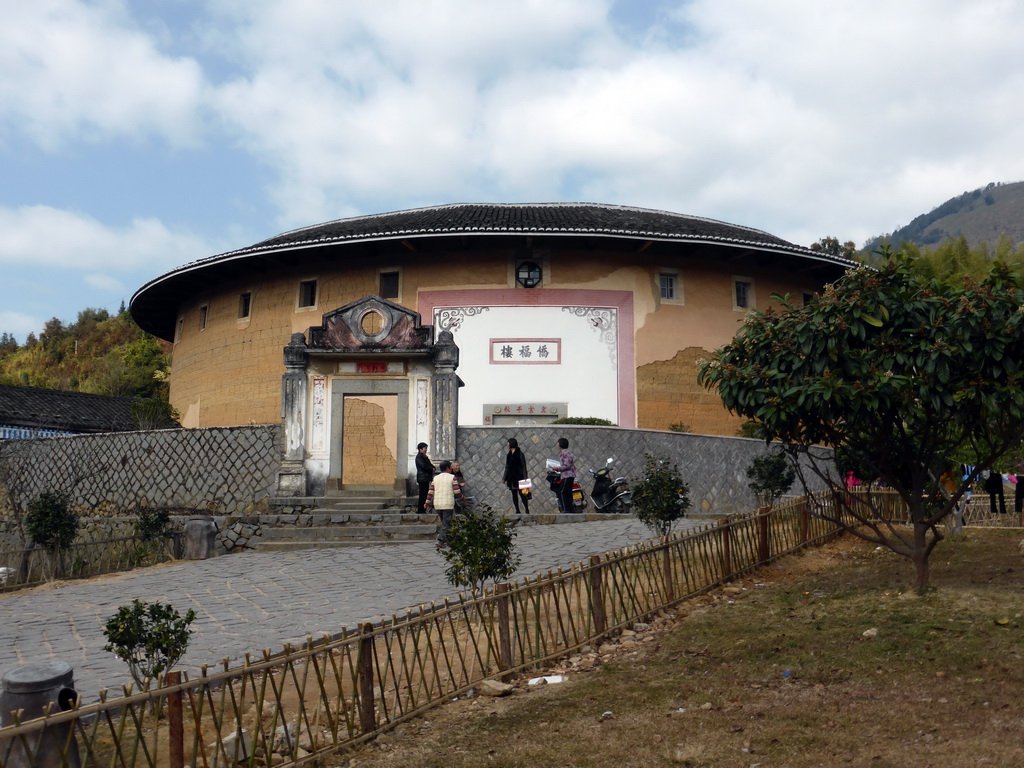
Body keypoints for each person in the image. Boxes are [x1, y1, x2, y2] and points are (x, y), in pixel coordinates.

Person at [425, 460, 461, 548]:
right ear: (448, 468)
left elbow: (430, 492)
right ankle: (440, 540)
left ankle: (450, 540)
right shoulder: (452, 477)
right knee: (446, 524)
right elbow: (457, 491)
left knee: (446, 523)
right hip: (447, 504)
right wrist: (462, 497)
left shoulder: (435, 478)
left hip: (437, 504)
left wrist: (427, 502)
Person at [502, 438, 530, 514]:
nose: (507, 445)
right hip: (511, 478)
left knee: (523, 494)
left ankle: (527, 509)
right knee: (514, 494)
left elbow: (524, 467)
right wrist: (504, 478)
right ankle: (517, 510)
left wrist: (525, 479)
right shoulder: (509, 455)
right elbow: (507, 467)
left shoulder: (520, 454)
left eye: (508, 443)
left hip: (520, 477)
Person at [552, 437, 577, 514]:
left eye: (558, 443)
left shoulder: (565, 453)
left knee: (562, 491)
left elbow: (567, 465)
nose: (557, 445)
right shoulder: (566, 453)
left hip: (567, 475)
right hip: (568, 475)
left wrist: (557, 468)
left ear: (560, 444)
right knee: (568, 492)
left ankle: (566, 509)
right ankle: (571, 509)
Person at [415, 442, 435, 514]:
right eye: (425, 448)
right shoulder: (419, 457)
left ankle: (423, 509)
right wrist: (431, 469)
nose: (426, 450)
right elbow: (424, 466)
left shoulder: (424, 456)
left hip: (425, 478)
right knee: (422, 494)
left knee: (425, 494)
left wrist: (433, 467)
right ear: (420, 449)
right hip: (422, 478)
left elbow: (429, 465)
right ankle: (420, 509)